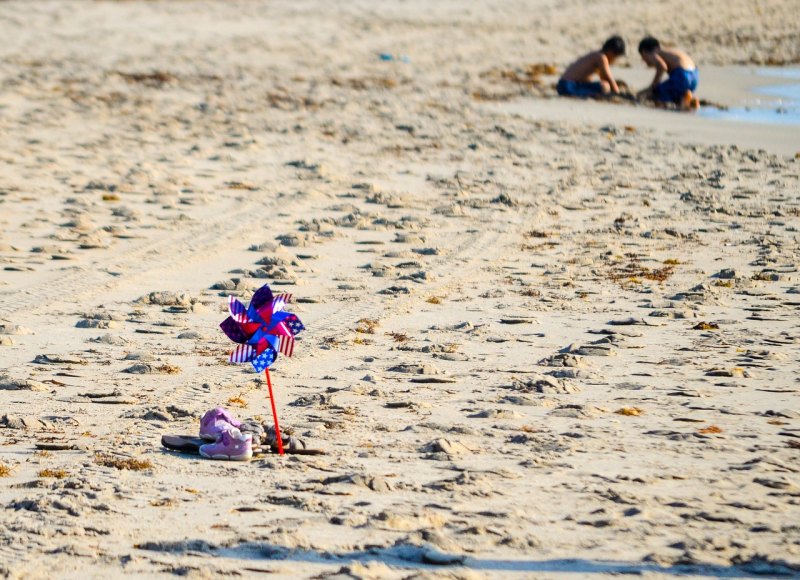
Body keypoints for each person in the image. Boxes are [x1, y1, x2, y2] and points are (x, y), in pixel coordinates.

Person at [637, 37, 699, 110]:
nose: (643, 60)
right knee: (675, 91)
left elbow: (662, 67)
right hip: (694, 76)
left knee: (659, 91)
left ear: (644, 52)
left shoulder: (653, 53)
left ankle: (676, 103)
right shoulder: (669, 51)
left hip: (682, 75)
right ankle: (686, 98)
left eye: (642, 57)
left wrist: (652, 87)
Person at [557, 36, 626, 98]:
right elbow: (608, 78)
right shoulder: (601, 57)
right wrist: (617, 93)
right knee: (605, 86)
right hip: (568, 86)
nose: (615, 59)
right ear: (610, 51)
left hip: (563, 85)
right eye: (615, 56)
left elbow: (601, 77)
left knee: (604, 85)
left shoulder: (595, 54)